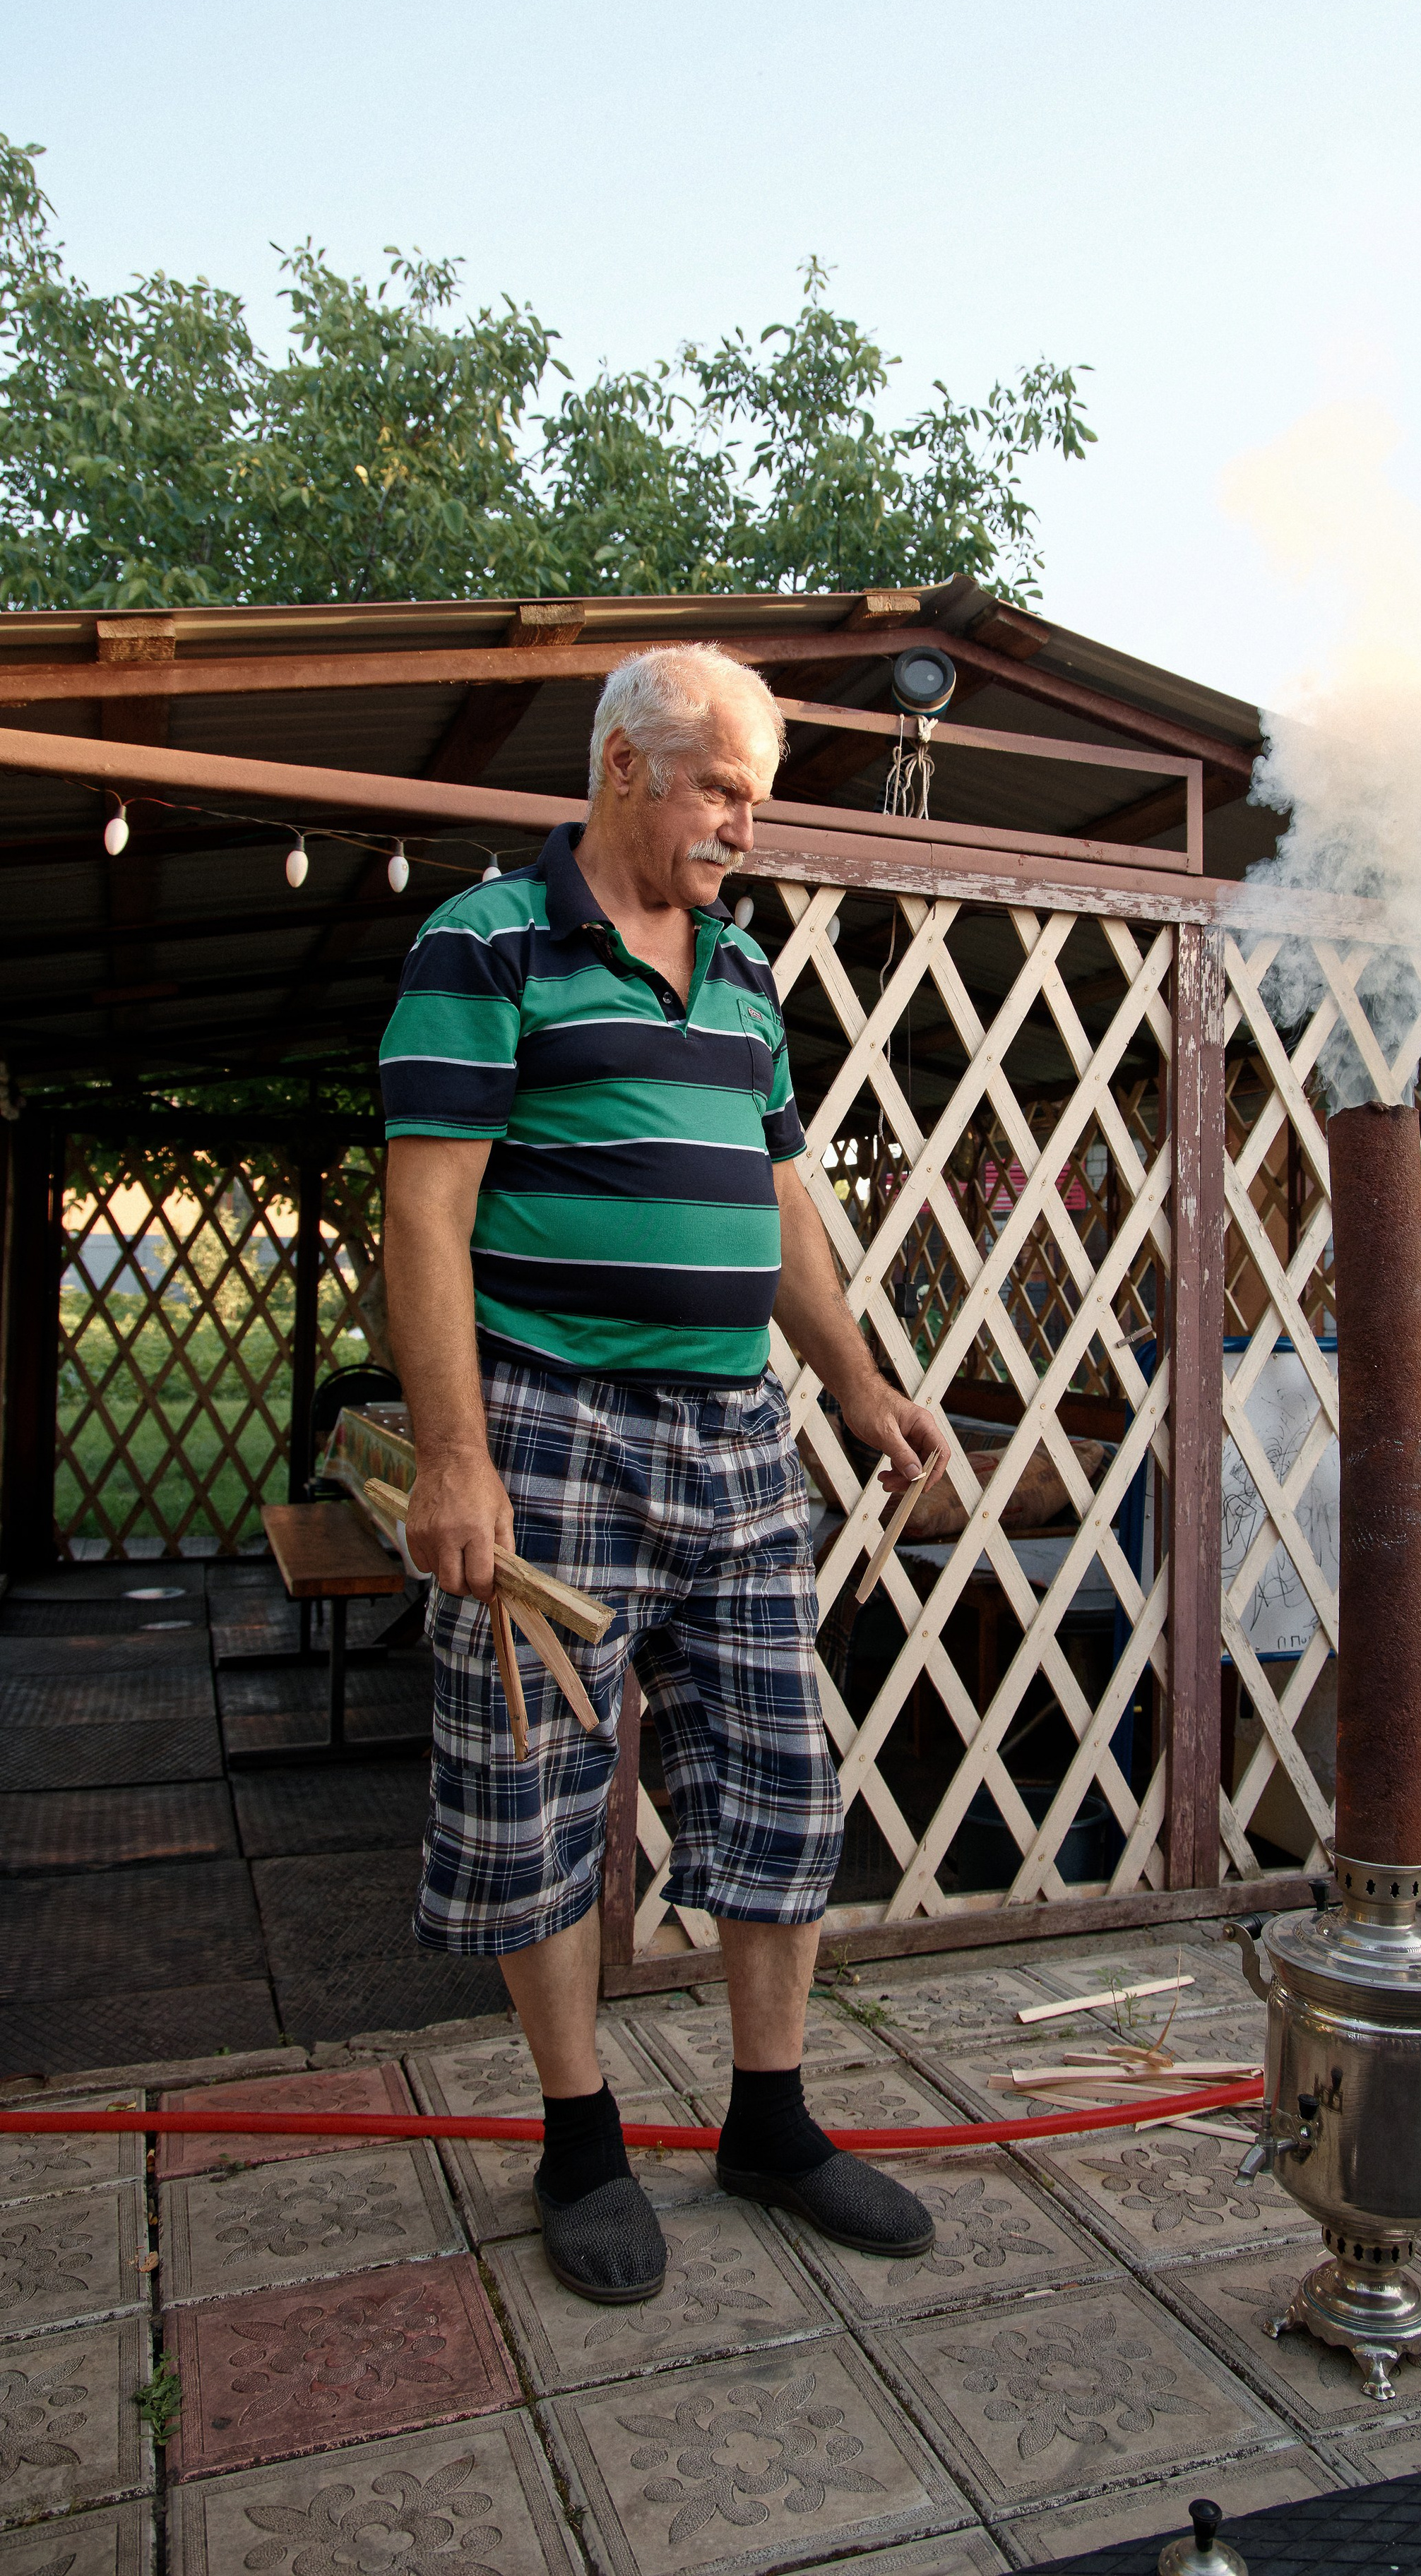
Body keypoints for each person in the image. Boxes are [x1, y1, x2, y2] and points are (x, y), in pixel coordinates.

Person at [379, 643, 948, 2305]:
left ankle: (768, 2120)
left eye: (754, 798)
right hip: (547, 1427)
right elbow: (425, 1213)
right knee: (537, 1792)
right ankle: (580, 2140)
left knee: (780, 1772)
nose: (743, 828)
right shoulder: (485, 944)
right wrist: (454, 1457)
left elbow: (778, 1207)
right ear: (624, 764)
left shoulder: (747, 973)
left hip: (735, 1432)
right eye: (720, 789)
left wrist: (855, 1385)